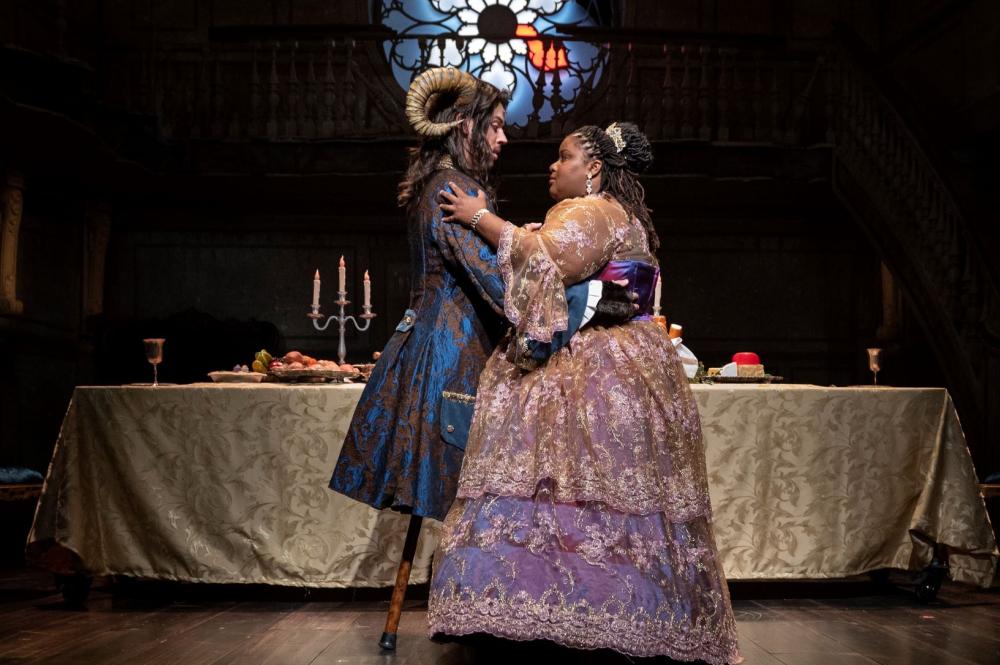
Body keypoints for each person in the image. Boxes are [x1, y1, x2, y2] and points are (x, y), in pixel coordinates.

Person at [326, 68, 636, 650]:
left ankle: (482, 615)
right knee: (477, 488)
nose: (503, 139)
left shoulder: (441, 183)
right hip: (452, 355)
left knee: (462, 494)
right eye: (494, 126)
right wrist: (576, 304)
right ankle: (486, 616)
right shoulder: (457, 191)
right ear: (464, 126)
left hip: (430, 342)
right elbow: (496, 282)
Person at [429, 122, 742, 664]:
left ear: (593, 168)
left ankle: (573, 617)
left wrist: (478, 217)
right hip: (622, 356)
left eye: (564, 157)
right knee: (583, 483)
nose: (554, 166)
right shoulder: (608, 215)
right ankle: (576, 612)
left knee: (566, 473)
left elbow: (549, 259)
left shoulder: (591, 210)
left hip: (597, 361)